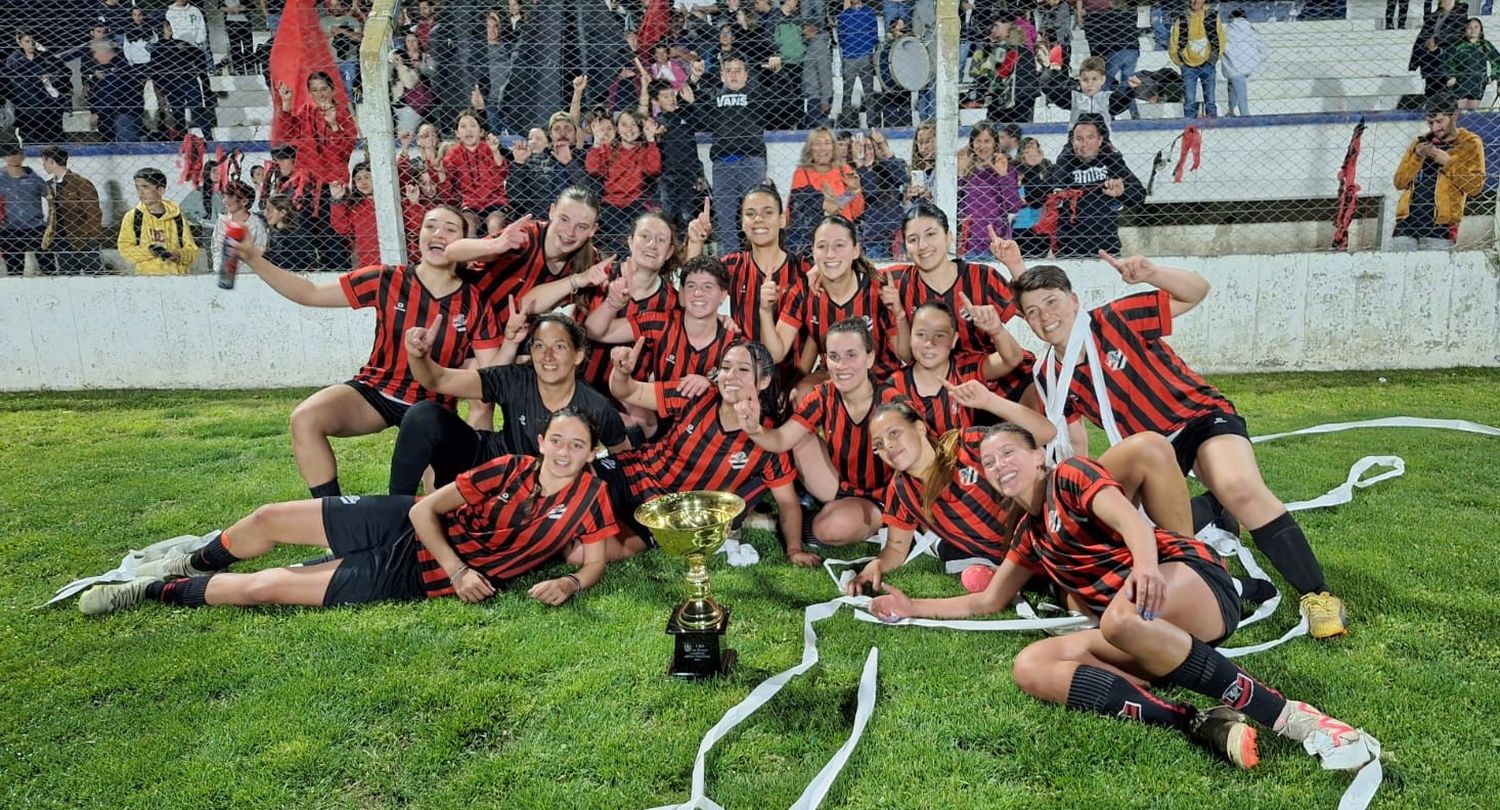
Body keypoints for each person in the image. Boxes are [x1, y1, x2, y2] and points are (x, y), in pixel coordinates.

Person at [867, 422, 1367, 771]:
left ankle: (1290, 717)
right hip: (1143, 626)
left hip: (1191, 584)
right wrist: (909, 606)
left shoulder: (1070, 475)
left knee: (1115, 621)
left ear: (1038, 455)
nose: (999, 464)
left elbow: (1130, 519)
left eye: (1009, 453)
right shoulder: (1030, 533)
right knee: (1032, 665)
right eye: (990, 461)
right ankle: (1193, 721)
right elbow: (985, 601)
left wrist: (1147, 568)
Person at [1011, 258, 1349, 639]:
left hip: (1197, 419)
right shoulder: (1048, 375)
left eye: (1052, 302)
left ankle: (1318, 595)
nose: (1045, 317)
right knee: (1118, 523)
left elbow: (1197, 291)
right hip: (1150, 452)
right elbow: (1075, 441)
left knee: (1237, 486)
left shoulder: (1115, 318)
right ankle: (1212, 518)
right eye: (1032, 312)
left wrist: (1151, 274)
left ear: (1073, 300)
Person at [78, 408, 616, 615]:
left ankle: (146, 591)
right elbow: (425, 510)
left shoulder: (591, 499)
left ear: (591, 452)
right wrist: (459, 568)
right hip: (403, 523)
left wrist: (571, 584)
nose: (566, 451)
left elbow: (593, 562)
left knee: (265, 587)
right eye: (558, 440)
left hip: (414, 574)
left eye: (578, 444)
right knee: (267, 517)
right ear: (543, 441)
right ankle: (192, 563)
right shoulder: (508, 469)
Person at [236, 205, 505, 498]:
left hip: (432, 411)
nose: (438, 233)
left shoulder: (475, 302)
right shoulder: (387, 279)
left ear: (463, 245)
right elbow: (309, 293)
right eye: (430, 226)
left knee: (439, 504)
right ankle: (334, 519)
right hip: (377, 392)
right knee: (306, 418)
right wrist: (253, 259)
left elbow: (489, 375)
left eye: (450, 229)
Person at [607, 339, 811, 566]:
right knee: (573, 494)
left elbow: (787, 503)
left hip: (666, 515)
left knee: (588, 550)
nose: (730, 376)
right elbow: (628, 390)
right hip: (629, 474)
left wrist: (794, 550)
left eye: (743, 369)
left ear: (764, 381)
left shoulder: (769, 440)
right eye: (725, 367)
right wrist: (622, 372)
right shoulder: (695, 394)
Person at [389, 311, 630, 501]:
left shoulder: (597, 407)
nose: (547, 356)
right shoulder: (514, 379)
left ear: (578, 355)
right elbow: (438, 379)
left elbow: (624, 457)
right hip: (491, 462)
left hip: (533, 489)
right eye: (539, 346)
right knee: (424, 415)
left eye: (559, 347)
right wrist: (418, 356)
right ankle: (398, 508)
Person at [736, 318, 889, 548]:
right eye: (835, 357)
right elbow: (781, 440)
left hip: (881, 498)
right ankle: (820, 509)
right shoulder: (824, 393)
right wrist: (755, 429)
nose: (842, 365)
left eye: (851, 355)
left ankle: (793, 521)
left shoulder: (891, 401)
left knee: (830, 527)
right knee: (797, 441)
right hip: (841, 485)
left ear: (870, 358)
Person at [586, 253, 731, 437]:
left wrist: (712, 384)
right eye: (691, 286)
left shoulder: (734, 344)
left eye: (707, 287)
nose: (698, 293)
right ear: (682, 294)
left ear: (723, 296)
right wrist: (612, 303)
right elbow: (598, 332)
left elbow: (748, 389)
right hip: (662, 426)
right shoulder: (661, 323)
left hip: (706, 434)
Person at [686, 184, 810, 374]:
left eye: (767, 212)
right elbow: (694, 288)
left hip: (790, 378)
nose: (758, 219)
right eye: (750, 214)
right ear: (743, 223)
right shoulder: (734, 265)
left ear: (782, 219)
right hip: (743, 375)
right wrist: (696, 243)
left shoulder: (803, 270)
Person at [443, 186, 602, 330]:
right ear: (552, 212)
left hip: (512, 340)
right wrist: (495, 245)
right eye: (564, 219)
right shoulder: (525, 236)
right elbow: (451, 252)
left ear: (593, 230)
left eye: (582, 226)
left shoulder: (590, 261)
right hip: (465, 320)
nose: (570, 232)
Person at [892, 201, 1023, 360]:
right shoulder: (898, 283)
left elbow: (1033, 310)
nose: (922, 245)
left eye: (931, 234)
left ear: (948, 237)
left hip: (990, 375)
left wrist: (1016, 266)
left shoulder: (982, 276)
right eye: (913, 239)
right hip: (933, 379)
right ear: (905, 247)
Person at [879, 299, 1026, 436]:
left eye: (940, 335)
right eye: (921, 334)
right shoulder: (894, 387)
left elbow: (1012, 359)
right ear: (910, 337)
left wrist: (997, 330)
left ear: (954, 340)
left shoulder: (967, 369)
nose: (929, 343)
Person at [1040, 115, 1146, 258]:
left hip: (1107, 248)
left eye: (1090, 137)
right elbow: (1034, 198)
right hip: (1068, 250)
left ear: (1100, 140)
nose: (1084, 144)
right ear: (1072, 142)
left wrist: (1122, 193)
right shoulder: (1060, 169)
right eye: (1079, 139)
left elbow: (1139, 196)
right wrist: (1034, 170)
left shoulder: (1113, 165)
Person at [1391, 93, 1486, 251]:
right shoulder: (1420, 143)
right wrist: (1417, 157)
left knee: (1435, 273)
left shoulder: (1470, 143)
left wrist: (1448, 163)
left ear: (1454, 115)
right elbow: (1399, 182)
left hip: (1442, 226)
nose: (1435, 128)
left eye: (1439, 121)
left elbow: (1475, 187)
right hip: (1406, 224)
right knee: (1400, 273)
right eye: (1430, 122)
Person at [585, 110, 663, 254]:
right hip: (610, 204)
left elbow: (653, 170)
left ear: (640, 128)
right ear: (617, 129)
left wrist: (651, 140)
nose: (629, 129)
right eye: (624, 125)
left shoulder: (644, 149)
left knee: (641, 229)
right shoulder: (608, 149)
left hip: (637, 202)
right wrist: (596, 142)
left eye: (634, 125)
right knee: (622, 234)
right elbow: (593, 169)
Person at [787, 126, 865, 256]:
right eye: (817, 143)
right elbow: (795, 210)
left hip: (843, 233)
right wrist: (827, 206)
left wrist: (853, 190)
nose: (823, 148)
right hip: (812, 238)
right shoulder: (802, 173)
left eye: (827, 143)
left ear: (833, 147)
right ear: (810, 148)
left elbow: (856, 212)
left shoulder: (844, 170)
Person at [273, 71, 358, 187]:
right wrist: (286, 103)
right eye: (315, 90)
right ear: (310, 93)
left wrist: (334, 126)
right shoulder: (306, 111)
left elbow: (344, 151)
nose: (320, 94)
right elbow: (287, 135)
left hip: (333, 179)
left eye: (324, 89)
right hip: (307, 178)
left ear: (333, 90)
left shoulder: (343, 115)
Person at [115, 168, 200, 275]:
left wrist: (180, 255)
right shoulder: (133, 217)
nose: (140, 193)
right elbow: (125, 249)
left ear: (160, 190)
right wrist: (149, 252)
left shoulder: (177, 217)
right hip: (147, 278)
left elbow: (192, 249)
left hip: (177, 277)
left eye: (145, 187)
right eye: (137, 188)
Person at [957, 121, 1023, 257]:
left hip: (997, 238)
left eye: (987, 141)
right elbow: (956, 203)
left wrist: (1003, 176)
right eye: (978, 141)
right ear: (972, 144)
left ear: (995, 144)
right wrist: (960, 175)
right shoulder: (968, 169)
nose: (982, 146)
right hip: (970, 240)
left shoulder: (1007, 168)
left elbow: (1013, 206)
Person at [39, 147, 104, 276]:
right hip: (61, 239)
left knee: (95, 275)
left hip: (83, 238)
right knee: (67, 277)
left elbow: (93, 212)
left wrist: (90, 237)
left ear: (51, 161)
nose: (43, 165)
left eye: (44, 161)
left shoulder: (80, 183)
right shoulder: (50, 185)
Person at [1042, 55, 1139, 131]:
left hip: (1101, 143)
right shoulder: (1074, 97)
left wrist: (1131, 90)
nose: (1089, 84)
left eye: (1094, 79)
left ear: (1103, 80)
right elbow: (1049, 89)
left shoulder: (1107, 98)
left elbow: (1121, 104)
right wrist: (1052, 72)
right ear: (1079, 79)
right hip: (1076, 144)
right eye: (1085, 80)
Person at [1167, 0, 1226, 118]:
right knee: (1189, 101)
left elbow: (1221, 38)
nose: (1194, 2)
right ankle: (1190, 127)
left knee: (1210, 100)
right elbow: (1174, 42)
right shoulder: (1182, 18)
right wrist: (1180, 63)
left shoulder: (1212, 15)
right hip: (1188, 66)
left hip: (1208, 63)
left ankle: (1212, 124)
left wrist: (1213, 60)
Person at [7, 31, 65, 145]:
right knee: (32, 141)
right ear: (19, 42)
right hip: (27, 109)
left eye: (33, 41)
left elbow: (60, 72)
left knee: (55, 140)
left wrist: (51, 77)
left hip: (50, 107)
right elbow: (13, 84)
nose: (31, 45)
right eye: (27, 42)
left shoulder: (44, 57)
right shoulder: (13, 60)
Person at [0, 143, 50, 276]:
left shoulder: (34, 179)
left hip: (36, 228)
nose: (14, 157)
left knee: (48, 267)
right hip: (9, 230)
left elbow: (51, 199)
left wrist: (50, 221)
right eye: (9, 154)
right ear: (4, 157)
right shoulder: (0, 179)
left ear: (23, 156)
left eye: (17, 153)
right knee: (14, 270)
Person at [84, 38, 144, 143]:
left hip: (124, 112)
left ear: (104, 50)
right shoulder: (104, 69)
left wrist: (99, 112)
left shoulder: (120, 66)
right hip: (110, 114)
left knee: (126, 144)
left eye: (95, 52)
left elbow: (111, 92)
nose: (94, 56)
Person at [211, 180, 268, 281]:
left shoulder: (256, 225)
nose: (224, 201)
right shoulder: (221, 221)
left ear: (244, 201)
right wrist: (219, 267)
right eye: (224, 197)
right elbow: (215, 247)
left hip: (248, 276)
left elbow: (260, 250)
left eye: (230, 197)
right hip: (223, 273)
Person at [1411, 0, 1470, 98]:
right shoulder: (1434, 16)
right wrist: (1414, 62)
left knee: (1445, 95)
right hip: (1429, 59)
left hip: (1447, 58)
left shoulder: (1460, 12)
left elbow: (1457, 33)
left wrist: (1437, 41)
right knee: (1430, 93)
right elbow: (1421, 37)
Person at [328, 163, 381, 269]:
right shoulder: (355, 207)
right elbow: (342, 227)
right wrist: (337, 200)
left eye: (367, 177)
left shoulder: (391, 202)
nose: (363, 182)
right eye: (358, 179)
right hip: (368, 263)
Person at [837, 0, 879, 126]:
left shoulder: (870, 13)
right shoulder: (844, 15)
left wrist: (870, 52)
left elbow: (874, 33)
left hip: (865, 56)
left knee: (869, 92)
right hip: (849, 57)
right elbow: (841, 36)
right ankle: (846, 122)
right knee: (847, 93)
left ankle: (871, 122)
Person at [1221, 9, 1269, 117]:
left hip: (1231, 66)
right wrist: (1254, 60)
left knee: (1234, 90)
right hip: (1246, 66)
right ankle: (1237, 112)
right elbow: (1263, 49)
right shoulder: (1251, 30)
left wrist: (1228, 61)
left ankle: (1239, 113)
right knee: (1237, 92)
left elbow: (1223, 47)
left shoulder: (1227, 30)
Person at [1444, 18, 1500, 109]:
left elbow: (1497, 62)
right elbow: (1449, 62)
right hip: (1460, 84)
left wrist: (1495, 79)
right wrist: (1451, 76)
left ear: (1481, 30)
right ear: (1465, 30)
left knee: (1471, 113)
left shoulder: (1485, 45)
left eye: (1476, 27)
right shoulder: (1458, 46)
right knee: (1458, 112)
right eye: (1469, 27)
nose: (1473, 30)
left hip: (1478, 84)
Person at [1012, 137, 1054, 259]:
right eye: (1027, 152)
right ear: (1021, 154)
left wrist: (1034, 167)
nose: (1032, 155)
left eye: (1034, 151)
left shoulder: (1048, 167)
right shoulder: (1014, 169)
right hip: (1019, 225)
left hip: (1041, 225)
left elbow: (1040, 197)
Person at [262, 193, 322, 271]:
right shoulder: (276, 232)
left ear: (282, 213)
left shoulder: (292, 235)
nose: (265, 213)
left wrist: (265, 255)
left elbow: (293, 263)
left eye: (269, 210)